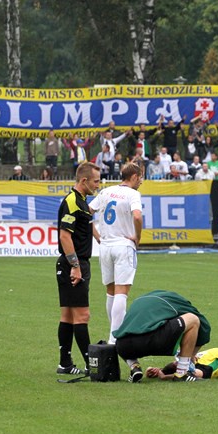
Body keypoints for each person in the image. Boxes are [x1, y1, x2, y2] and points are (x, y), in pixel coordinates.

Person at [88, 161, 144, 382]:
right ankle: (114, 338)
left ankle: (114, 335)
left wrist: (97, 235)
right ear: (135, 176)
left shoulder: (106, 191)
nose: (141, 181)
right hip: (123, 246)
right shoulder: (132, 194)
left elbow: (87, 213)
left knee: (111, 292)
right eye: (141, 178)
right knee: (122, 293)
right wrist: (137, 237)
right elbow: (137, 217)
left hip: (106, 247)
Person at [54, 162, 101, 376]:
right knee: (82, 316)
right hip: (73, 264)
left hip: (75, 264)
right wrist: (75, 266)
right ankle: (92, 366)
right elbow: (65, 235)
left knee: (68, 316)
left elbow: (87, 227)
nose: (97, 185)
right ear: (84, 181)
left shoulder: (82, 202)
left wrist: (103, 240)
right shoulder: (72, 201)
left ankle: (65, 364)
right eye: (95, 181)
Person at [113, 290, 211, 382]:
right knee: (193, 319)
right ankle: (182, 373)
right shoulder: (176, 301)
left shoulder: (139, 301)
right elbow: (204, 326)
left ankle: (134, 367)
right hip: (154, 340)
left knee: (123, 338)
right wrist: (191, 355)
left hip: (122, 346)